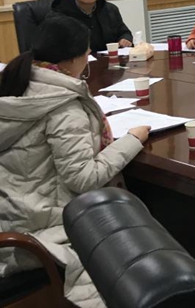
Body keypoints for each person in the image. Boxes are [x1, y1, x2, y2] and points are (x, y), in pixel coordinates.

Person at [0, 16, 150, 308]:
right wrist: (132, 139)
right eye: (87, 53)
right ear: (72, 59)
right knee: (140, 230)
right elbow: (83, 179)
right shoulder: (63, 105)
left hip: (13, 215)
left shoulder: (19, 84)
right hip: (42, 233)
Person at [50, 0, 133, 52]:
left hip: (107, 58)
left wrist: (125, 39)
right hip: (76, 59)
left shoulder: (110, 9)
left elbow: (124, 32)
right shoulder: (59, 14)